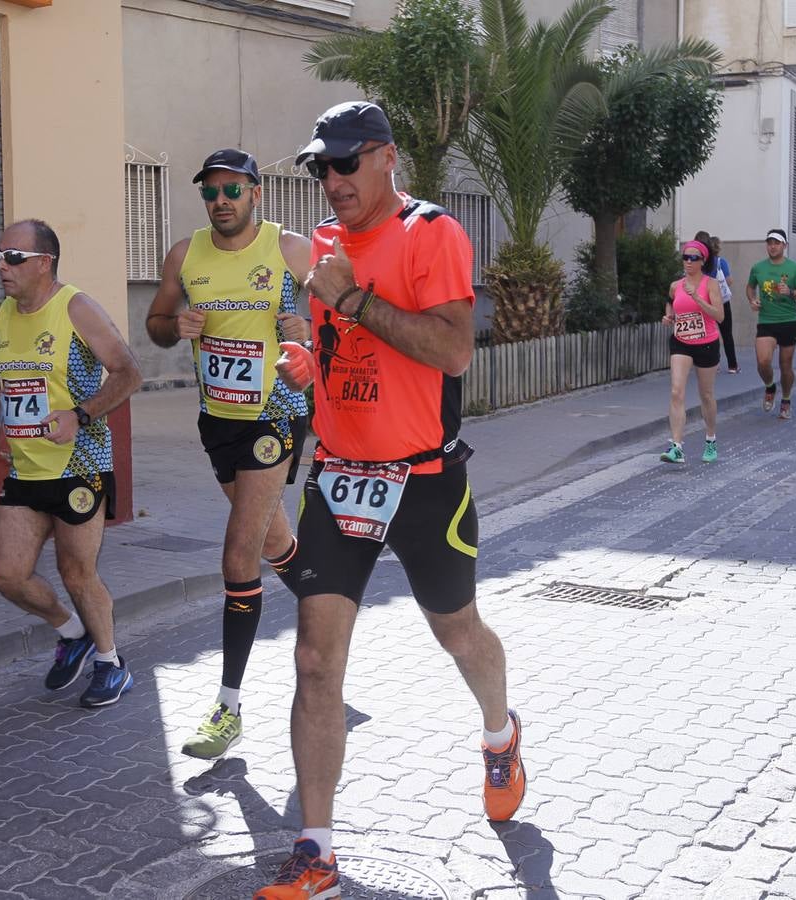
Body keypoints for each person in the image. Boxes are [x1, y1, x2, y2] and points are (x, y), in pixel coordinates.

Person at [254, 101, 525, 900]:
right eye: (320, 167)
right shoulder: (327, 243)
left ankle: (500, 734)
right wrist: (313, 357)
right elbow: (344, 343)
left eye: (344, 163)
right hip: (340, 477)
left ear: (385, 158)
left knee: (459, 634)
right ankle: (317, 848)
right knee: (313, 660)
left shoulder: (431, 232)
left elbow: (450, 348)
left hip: (424, 480)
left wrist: (352, 303)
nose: (330, 180)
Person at [146, 149, 312, 760]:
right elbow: (156, 321)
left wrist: (309, 332)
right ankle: (331, 614)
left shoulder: (290, 251)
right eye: (210, 191)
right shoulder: (186, 255)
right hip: (218, 420)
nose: (220, 200)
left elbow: (345, 314)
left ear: (256, 193)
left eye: (232, 189)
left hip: (275, 418)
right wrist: (176, 326)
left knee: (239, 553)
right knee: (274, 544)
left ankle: (228, 706)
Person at [0, 220, 142, 707]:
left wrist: (79, 414)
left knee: (77, 573)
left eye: (13, 257)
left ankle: (112, 664)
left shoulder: (75, 308)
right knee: (7, 573)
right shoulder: (3, 314)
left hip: (79, 465)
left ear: (44, 263)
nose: (1, 266)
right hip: (26, 467)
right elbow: (8, 372)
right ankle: (74, 634)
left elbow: (130, 372)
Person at [659, 240, 724, 462]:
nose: (688, 261)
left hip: (707, 343)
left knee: (706, 395)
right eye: (685, 257)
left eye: (693, 258)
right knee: (676, 391)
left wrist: (696, 297)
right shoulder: (676, 285)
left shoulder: (711, 284)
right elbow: (671, 303)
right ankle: (677, 447)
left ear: (703, 261)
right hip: (681, 342)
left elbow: (719, 316)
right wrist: (669, 316)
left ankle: (711, 439)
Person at [747, 228, 796, 419]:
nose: (773, 247)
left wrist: (790, 292)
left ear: (784, 246)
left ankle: (786, 400)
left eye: (777, 243)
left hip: (789, 320)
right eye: (770, 243)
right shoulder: (758, 267)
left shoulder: (794, 268)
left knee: (785, 365)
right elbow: (750, 287)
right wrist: (752, 300)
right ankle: (770, 387)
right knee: (763, 361)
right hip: (766, 320)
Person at [699, 234, 739, 374]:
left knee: (710, 333)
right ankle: (732, 365)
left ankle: (713, 365)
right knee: (727, 334)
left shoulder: (703, 263)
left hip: (706, 302)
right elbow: (728, 281)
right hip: (722, 302)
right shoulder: (721, 262)